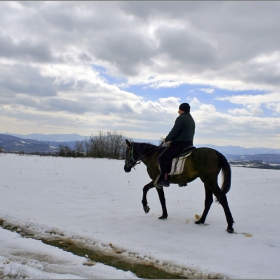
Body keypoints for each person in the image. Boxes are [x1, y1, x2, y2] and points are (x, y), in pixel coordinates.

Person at [157, 103, 195, 187]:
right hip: (189, 144)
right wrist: (172, 141)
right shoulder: (191, 119)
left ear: (182, 110)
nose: (178, 111)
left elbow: (175, 131)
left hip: (180, 145)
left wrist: (166, 139)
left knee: (162, 158)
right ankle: (181, 179)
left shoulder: (181, 118)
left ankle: (165, 179)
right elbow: (183, 133)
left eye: (179, 110)